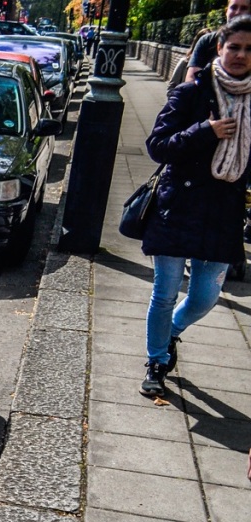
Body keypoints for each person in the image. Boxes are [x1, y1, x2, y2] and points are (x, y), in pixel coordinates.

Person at [139, 15, 251, 397]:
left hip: (223, 211)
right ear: (219, 48)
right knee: (164, 291)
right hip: (179, 205)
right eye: (233, 46)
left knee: (205, 297)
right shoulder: (191, 93)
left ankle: (169, 332)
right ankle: (156, 360)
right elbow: (157, 146)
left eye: (249, 49)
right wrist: (206, 131)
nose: (240, 54)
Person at [188, 0, 251, 82]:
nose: (237, 12)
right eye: (233, 7)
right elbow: (192, 79)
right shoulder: (208, 41)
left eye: (243, 8)